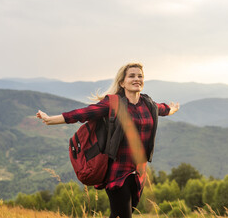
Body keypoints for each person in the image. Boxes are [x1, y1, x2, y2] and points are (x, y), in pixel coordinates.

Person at [36, 63, 179, 218]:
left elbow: (163, 109)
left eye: (140, 76)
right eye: (132, 76)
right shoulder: (114, 103)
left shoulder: (148, 104)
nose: (137, 79)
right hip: (117, 172)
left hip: (138, 173)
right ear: (122, 82)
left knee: (118, 214)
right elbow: (83, 113)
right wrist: (51, 119)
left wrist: (173, 109)